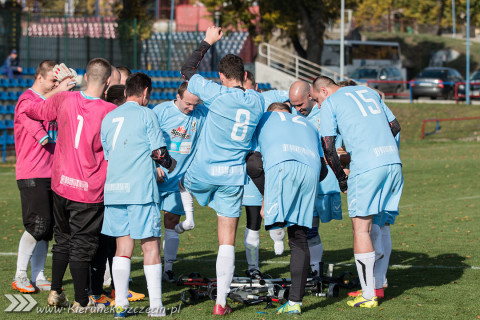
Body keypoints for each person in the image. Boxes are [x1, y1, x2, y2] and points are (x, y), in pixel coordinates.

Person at [180, 26, 265, 315]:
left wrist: (208, 41)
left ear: (221, 77)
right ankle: (220, 304)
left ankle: (188, 216)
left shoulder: (215, 93)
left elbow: (187, 70)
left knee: (181, 179)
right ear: (244, 77)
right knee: (226, 241)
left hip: (201, 175)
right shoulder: (255, 100)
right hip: (232, 178)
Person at [25, 58, 116, 313]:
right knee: (82, 244)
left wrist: (60, 88)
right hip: (88, 189)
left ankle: (55, 292)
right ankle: (81, 301)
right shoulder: (110, 111)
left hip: (61, 185)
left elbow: (34, 110)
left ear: (85, 77)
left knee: (63, 239)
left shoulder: (66, 99)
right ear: (108, 82)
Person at [311, 75, 403, 308]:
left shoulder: (331, 103)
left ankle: (368, 294)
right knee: (380, 223)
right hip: (392, 162)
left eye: (316, 100)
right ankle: (378, 285)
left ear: (323, 91)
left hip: (367, 167)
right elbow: (395, 125)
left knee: (361, 228)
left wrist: (342, 180)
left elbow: (328, 147)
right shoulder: (368, 91)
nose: (318, 106)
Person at [101, 72, 177, 318]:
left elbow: (109, 155)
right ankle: (156, 306)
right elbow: (159, 153)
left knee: (122, 248)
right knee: (151, 246)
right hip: (140, 190)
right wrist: (173, 165)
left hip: (114, 190)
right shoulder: (147, 114)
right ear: (145, 93)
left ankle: (121, 305)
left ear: (125, 92)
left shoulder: (109, 117)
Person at [254, 102, 327, 315]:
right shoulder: (307, 124)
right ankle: (295, 302)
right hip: (311, 171)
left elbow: (253, 162)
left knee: (251, 161)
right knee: (299, 237)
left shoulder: (265, 120)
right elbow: (323, 169)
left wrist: (266, 196)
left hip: (282, 165)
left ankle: (273, 219)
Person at [12, 60, 74, 294]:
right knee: (37, 225)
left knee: (48, 229)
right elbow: (35, 113)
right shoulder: (27, 100)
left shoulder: (52, 99)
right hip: (32, 172)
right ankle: (20, 275)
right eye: (52, 80)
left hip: (53, 173)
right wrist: (60, 90)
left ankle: (38, 274)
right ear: (40, 78)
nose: (55, 85)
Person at [152, 82, 207, 283]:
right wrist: (155, 165)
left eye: (195, 104)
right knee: (151, 224)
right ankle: (153, 267)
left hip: (179, 181)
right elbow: (148, 139)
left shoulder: (201, 113)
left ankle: (168, 268)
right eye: (187, 104)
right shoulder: (161, 111)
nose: (191, 108)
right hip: (157, 177)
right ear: (177, 96)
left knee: (171, 222)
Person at [289, 80, 343, 276]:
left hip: (326, 181)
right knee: (308, 228)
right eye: (294, 105)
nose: (297, 109)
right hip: (305, 181)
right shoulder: (293, 116)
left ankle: (376, 274)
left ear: (310, 96)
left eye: (300, 105)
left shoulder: (327, 112)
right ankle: (315, 269)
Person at [242, 71, 289, 278]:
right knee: (253, 219)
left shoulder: (268, 98)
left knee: (278, 212)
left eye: (248, 88)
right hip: (253, 171)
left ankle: (280, 238)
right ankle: (253, 268)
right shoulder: (235, 103)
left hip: (277, 164)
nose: (244, 93)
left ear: (256, 87)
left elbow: (295, 94)